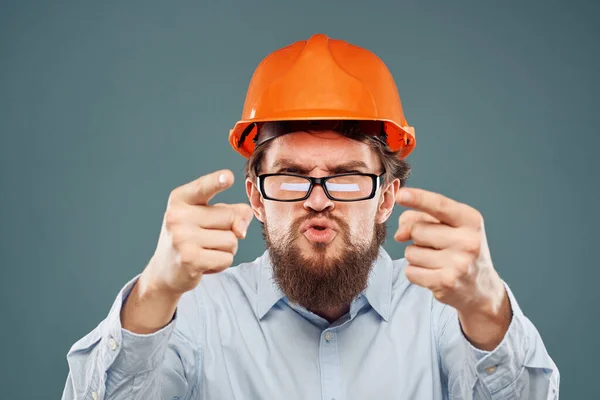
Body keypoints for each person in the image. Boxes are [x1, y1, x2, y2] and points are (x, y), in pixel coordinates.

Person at [62, 33, 559, 399]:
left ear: (386, 196)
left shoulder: (445, 312)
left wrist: (488, 310)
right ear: (256, 197)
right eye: (292, 177)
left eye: (345, 178)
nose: (318, 200)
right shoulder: (192, 314)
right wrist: (154, 294)